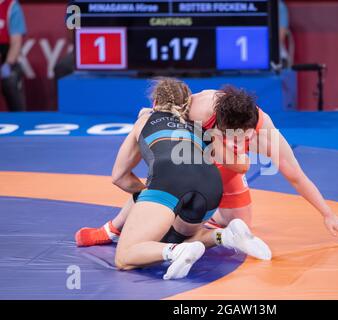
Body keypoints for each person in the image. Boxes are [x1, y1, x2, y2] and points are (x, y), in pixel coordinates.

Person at [76, 85, 338, 249]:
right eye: (238, 134)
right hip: (194, 155)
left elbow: (295, 175)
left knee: (242, 224)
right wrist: (150, 116)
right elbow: (161, 112)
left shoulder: (264, 131)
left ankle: (200, 225)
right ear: (219, 120)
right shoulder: (199, 107)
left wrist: (328, 214)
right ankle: (112, 229)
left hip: (221, 166)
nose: (245, 138)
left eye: (247, 134)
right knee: (166, 174)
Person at [79, 78, 271, 279]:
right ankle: (225, 235)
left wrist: (149, 194)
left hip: (170, 181)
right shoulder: (200, 128)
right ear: (188, 104)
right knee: (173, 235)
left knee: (125, 257)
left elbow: (119, 177)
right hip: (211, 187)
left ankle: (175, 252)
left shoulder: (145, 120)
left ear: (154, 103)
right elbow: (242, 166)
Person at [0, 0, 27, 111]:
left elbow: (16, 43)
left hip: (8, 59)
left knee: (10, 80)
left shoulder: (11, 6)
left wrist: (7, 64)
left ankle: (19, 117)